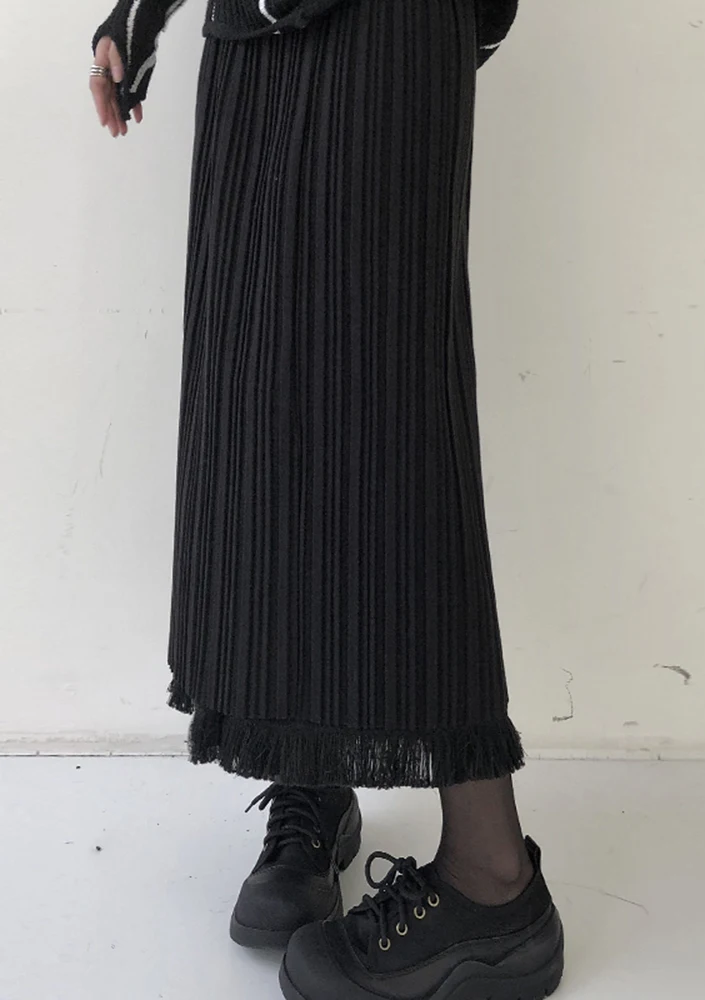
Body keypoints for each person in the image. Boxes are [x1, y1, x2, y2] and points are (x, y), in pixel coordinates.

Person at [89, 1, 564, 997]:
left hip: (387, 25)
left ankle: (494, 882)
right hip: (254, 41)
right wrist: (141, 13)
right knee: (264, 407)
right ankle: (313, 769)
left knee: (389, 423)